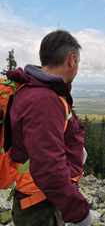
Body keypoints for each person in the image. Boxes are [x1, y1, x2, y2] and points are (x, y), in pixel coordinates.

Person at [6, 30, 92, 226]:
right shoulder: (44, 100)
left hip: (39, 199)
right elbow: (48, 169)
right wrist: (79, 213)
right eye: (77, 62)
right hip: (39, 206)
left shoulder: (35, 91)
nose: (77, 68)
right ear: (71, 60)